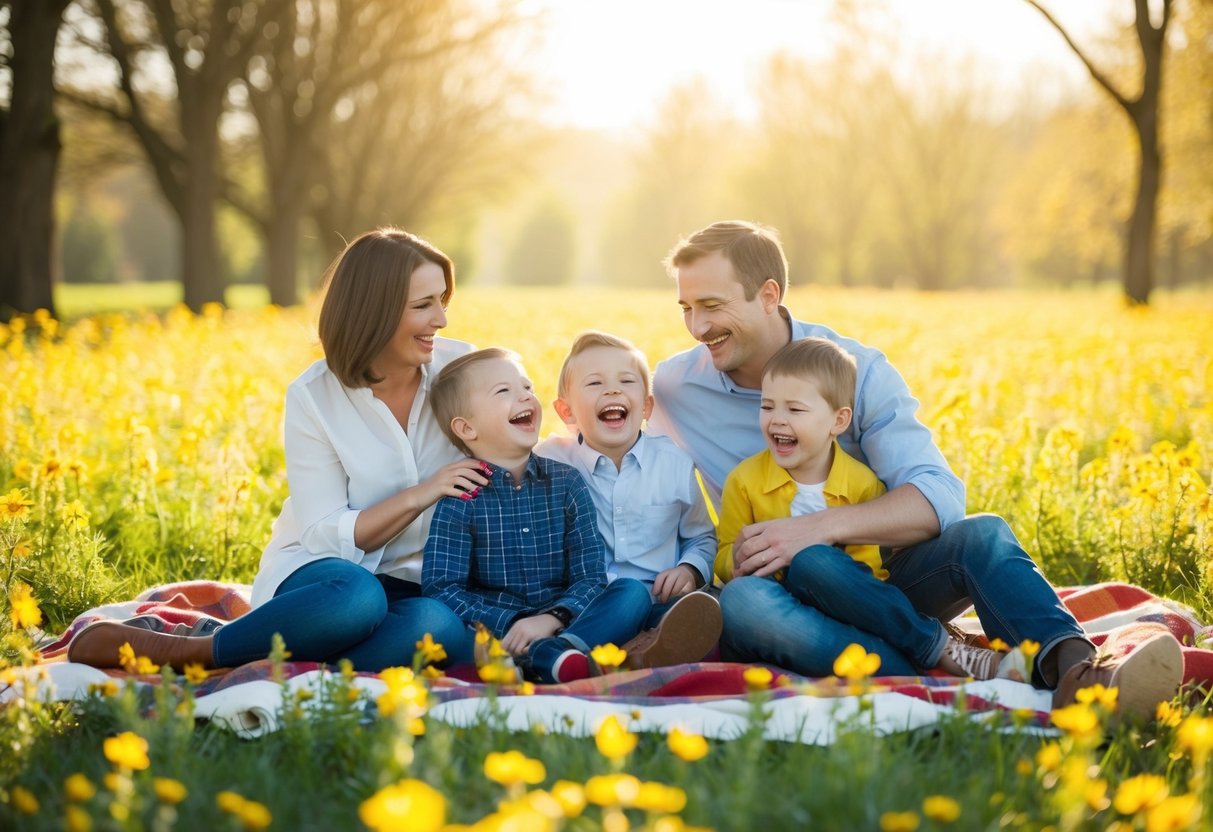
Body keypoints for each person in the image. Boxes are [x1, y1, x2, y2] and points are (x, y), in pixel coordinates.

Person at [648, 219, 1183, 717]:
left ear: (768, 295)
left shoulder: (857, 371)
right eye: (685, 308)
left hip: (884, 577)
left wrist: (816, 529)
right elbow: (610, 443)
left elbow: (939, 498)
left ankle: (1081, 674)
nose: (697, 326)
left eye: (712, 305)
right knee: (742, 604)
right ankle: (928, 657)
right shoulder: (675, 387)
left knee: (985, 536)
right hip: (781, 598)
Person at [68, 228, 486, 672]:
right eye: (424, 305)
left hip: (417, 586)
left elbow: (517, 461)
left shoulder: (463, 373)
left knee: (436, 625)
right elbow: (326, 533)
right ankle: (193, 652)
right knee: (359, 599)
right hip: (325, 576)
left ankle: (266, 652)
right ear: (375, 311)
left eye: (443, 301)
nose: (441, 320)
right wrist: (424, 492)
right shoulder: (313, 396)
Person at [717, 336, 1016, 679]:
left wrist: (831, 576)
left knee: (813, 560)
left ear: (839, 421)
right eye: (767, 407)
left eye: (795, 409)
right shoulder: (743, 481)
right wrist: (735, 560)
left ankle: (931, 648)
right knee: (739, 599)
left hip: (846, 606)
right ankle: (909, 664)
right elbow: (725, 554)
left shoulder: (861, 483)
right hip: (780, 611)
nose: (777, 420)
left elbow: (869, 573)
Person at [423, 348, 651, 684]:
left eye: (527, 387)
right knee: (451, 633)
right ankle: (577, 657)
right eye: (504, 391)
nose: (525, 397)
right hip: (498, 632)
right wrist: (511, 622)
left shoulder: (567, 482)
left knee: (632, 593)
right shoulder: (461, 497)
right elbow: (442, 587)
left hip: (567, 620)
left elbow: (590, 578)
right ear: (467, 429)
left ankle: (552, 654)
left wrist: (552, 617)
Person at [536, 331, 722, 670]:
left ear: (647, 405)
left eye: (626, 381)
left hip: (658, 601)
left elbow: (701, 536)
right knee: (629, 593)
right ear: (566, 411)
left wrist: (690, 570)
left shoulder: (674, 463)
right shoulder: (551, 461)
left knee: (701, 614)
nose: (612, 390)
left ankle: (633, 652)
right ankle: (557, 653)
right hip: (588, 604)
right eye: (595, 384)